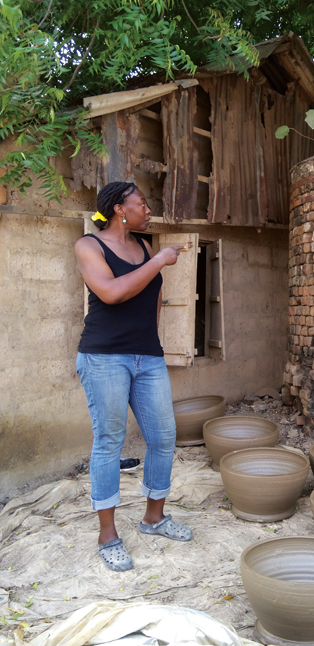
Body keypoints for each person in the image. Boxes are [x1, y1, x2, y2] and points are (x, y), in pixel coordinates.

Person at [75, 181, 190, 572]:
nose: (148, 209)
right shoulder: (89, 246)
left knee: (164, 436)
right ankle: (108, 535)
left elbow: (151, 300)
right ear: (121, 209)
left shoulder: (142, 247)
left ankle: (154, 517)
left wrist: (151, 342)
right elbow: (110, 292)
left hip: (148, 357)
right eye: (142, 203)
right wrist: (158, 261)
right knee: (109, 440)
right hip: (104, 356)